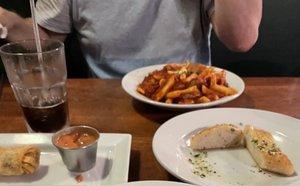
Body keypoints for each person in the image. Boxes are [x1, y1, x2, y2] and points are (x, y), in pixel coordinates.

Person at [0, 1, 262, 78]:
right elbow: (46, 41)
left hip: (190, 97)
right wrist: (9, 23)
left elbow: (241, 38)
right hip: (107, 105)